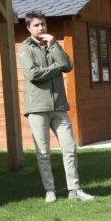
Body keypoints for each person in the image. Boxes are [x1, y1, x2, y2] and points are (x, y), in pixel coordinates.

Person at [18, 11, 94, 202]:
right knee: (43, 152)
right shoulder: (25, 48)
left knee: (70, 148)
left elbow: (67, 65)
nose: (41, 27)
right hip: (37, 108)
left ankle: (74, 190)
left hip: (59, 106)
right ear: (28, 28)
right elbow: (33, 74)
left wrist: (53, 45)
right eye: (36, 25)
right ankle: (50, 190)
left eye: (43, 24)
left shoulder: (53, 44)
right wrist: (55, 68)